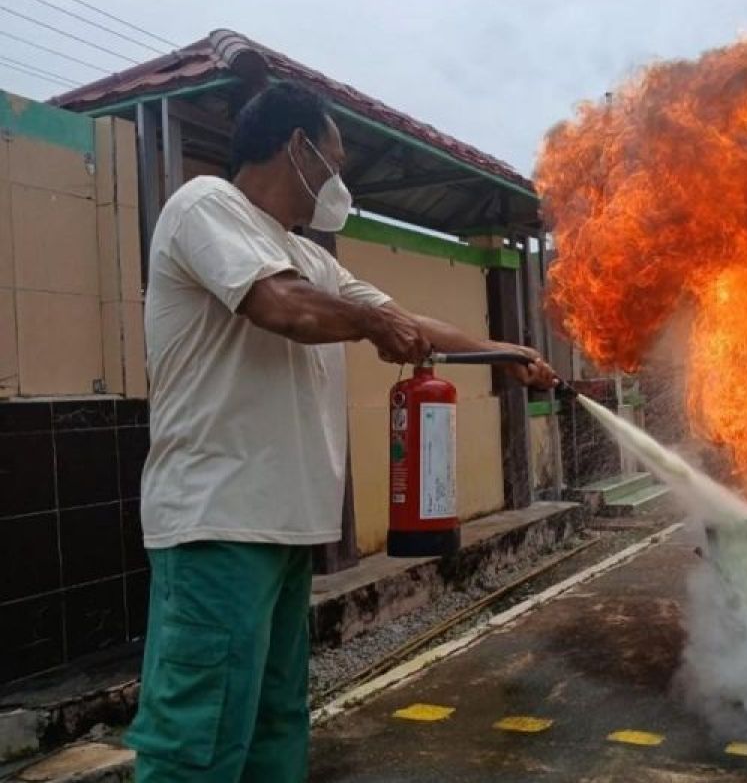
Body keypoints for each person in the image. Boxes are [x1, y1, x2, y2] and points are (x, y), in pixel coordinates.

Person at [125, 81, 556, 782]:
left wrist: (501, 353)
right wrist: (372, 324)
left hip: (288, 530)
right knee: (197, 743)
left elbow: (406, 322)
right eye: (335, 161)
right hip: (217, 524)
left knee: (275, 728)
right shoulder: (206, 206)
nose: (338, 181)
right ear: (298, 148)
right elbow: (281, 307)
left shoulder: (311, 257)